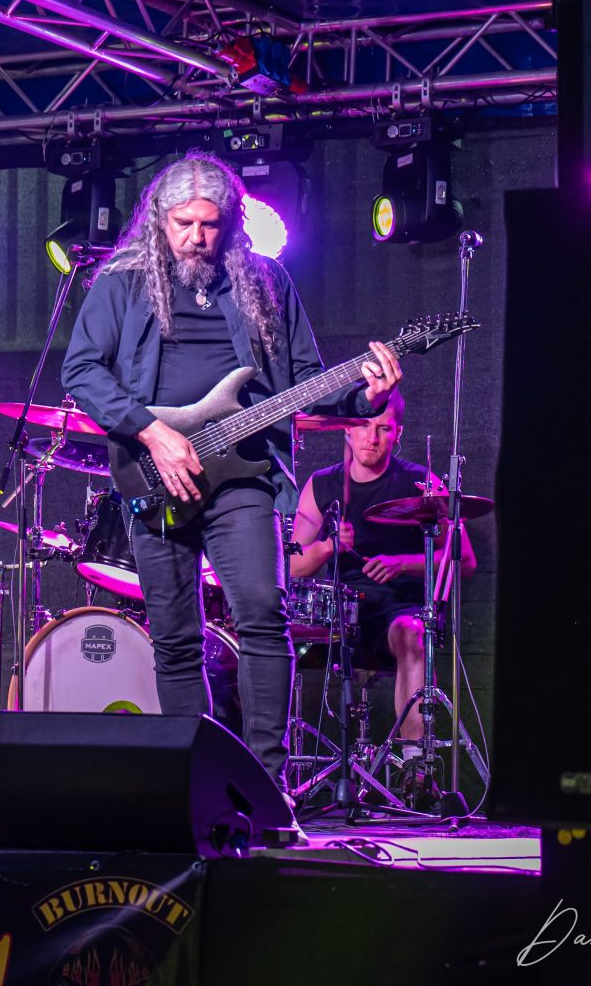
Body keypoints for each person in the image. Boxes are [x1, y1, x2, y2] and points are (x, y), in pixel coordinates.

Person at [62, 152, 401, 786]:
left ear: (232, 222)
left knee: (263, 614)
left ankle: (268, 785)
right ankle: (192, 781)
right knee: (175, 636)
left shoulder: (266, 283)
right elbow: (80, 369)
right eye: (183, 223)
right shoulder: (123, 281)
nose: (196, 237)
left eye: (210, 224)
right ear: (159, 220)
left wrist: (365, 398)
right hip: (154, 471)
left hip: (245, 474)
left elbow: (307, 382)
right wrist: (153, 433)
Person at [288, 392, 477, 752]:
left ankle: (415, 762)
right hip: (339, 615)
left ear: (398, 433)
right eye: (363, 426)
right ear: (347, 429)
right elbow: (292, 566)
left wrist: (402, 563)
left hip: (396, 612)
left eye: (383, 429)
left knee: (414, 633)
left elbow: (463, 559)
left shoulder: (420, 482)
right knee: (272, 632)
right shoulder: (322, 484)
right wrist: (327, 547)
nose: (371, 438)